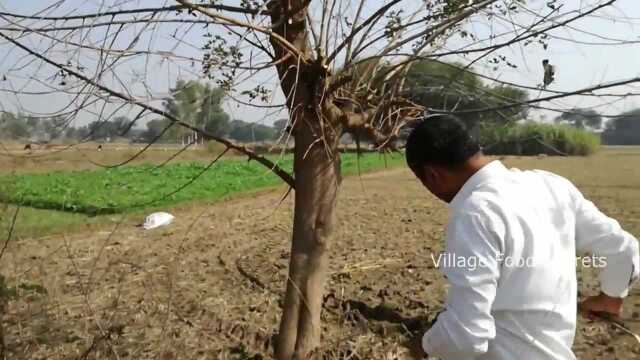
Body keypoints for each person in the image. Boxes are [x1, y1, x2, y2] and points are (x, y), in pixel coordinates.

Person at [404, 115, 639, 359]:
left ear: (432, 175)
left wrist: (422, 345)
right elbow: (624, 251)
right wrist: (611, 298)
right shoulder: (552, 186)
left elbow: (466, 337)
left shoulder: (475, 213)